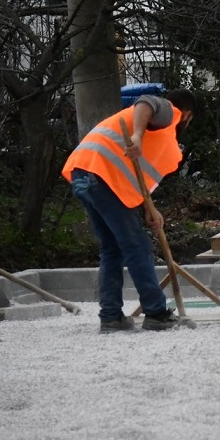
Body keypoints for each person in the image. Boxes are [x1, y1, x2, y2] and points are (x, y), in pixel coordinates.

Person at [61, 89, 197, 333]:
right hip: (101, 175)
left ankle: (111, 316)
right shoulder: (170, 112)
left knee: (112, 248)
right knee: (137, 245)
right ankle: (156, 313)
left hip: (84, 172)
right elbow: (146, 102)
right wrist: (136, 136)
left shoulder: (159, 134)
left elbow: (136, 176)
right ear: (188, 115)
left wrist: (149, 208)